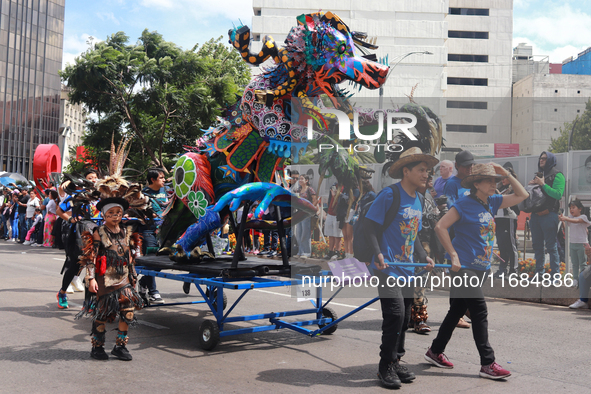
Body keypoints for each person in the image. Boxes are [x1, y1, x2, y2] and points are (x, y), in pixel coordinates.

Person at [425, 162, 528, 380]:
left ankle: (435, 351)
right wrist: (452, 254)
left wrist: (506, 173)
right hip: (464, 269)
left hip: (480, 268)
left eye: (495, 181)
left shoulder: (491, 201)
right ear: (477, 183)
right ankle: (487, 364)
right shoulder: (463, 204)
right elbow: (440, 226)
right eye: (489, 181)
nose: (494, 184)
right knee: (479, 312)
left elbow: (522, 195)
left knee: (456, 312)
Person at [365, 147, 437, 389]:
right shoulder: (389, 194)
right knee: (394, 315)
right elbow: (370, 227)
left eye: (427, 171)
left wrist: (423, 256)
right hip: (388, 268)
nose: (426, 174)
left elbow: (413, 235)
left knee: (405, 317)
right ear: (406, 171)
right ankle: (384, 366)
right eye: (421, 170)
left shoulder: (418, 198)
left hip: (408, 269)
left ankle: (396, 360)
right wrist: (378, 253)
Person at [76, 198, 144, 361]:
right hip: (105, 279)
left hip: (124, 277)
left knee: (127, 311)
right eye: (111, 213)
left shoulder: (127, 232)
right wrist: (91, 278)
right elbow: (91, 256)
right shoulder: (99, 232)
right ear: (104, 215)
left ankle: (120, 347)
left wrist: (133, 274)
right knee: (103, 312)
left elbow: (130, 255)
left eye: (118, 213)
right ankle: (97, 347)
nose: (115, 216)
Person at [443, 150, 475, 328]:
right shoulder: (452, 184)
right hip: (457, 233)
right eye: (466, 166)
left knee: (468, 273)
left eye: (471, 165)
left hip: (471, 235)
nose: (470, 168)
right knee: (457, 274)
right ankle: (456, 314)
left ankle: (465, 307)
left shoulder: (471, 184)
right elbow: (451, 207)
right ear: (457, 166)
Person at [528, 151, 565, 277]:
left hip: (549, 215)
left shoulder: (557, 175)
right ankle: (539, 273)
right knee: (537, 246)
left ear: (550, 160)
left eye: (544, 158)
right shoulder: (539, 175)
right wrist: (531, 186)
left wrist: (542, 184)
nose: (541, 160)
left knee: (551, 246)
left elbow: (558, 194)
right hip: (535, 216)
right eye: (540, 158)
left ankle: (555, 275)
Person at [137, 168, 167, 304]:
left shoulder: (165, 191)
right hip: (148, 230)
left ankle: (143, 283)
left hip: (164, 231)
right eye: (161, 178)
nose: (164, 180)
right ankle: (153, 292)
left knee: (162, 260)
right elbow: (136, 212)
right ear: (152, 180)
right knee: (151, 260)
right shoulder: (142, 194)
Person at [494, 166, 521, 278]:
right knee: (501, 244)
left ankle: (514, 270)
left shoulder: (514, 188)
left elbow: (517, 206)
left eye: (505, 177)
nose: (503, 179)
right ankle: (502, 269)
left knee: (511, 244)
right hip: (499, 217)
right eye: (501, 177)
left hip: (509, 217)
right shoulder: (498, 187)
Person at [559, 199, 590, 286]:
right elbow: (568, 226)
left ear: (580, 209)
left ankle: (583, 280)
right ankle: (575, 279)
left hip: (582, 244)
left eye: (573, 207)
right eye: (570, 208)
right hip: (572, 243)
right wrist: (563, 220)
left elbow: (577, 221)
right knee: (574, 263)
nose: (571, 210)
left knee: (583, 264)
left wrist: (566, 218)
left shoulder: (583, 217)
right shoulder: (570, 218)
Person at [294, 174, 316, 258]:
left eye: (302, 179)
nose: (300, 180)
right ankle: (300, 252)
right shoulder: (298, 190)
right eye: (299, 179)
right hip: (299, 213)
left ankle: (306, 252)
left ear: (306, 180)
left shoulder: (309, 189)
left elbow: (315, 199)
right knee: (299, 233)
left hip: (306, 214)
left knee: (305, 234)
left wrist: (311, 209)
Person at [325, 182, 343, 260]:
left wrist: (337, 195)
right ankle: (330, 252)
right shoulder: (333, 185)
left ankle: (337, 252)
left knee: (337, 234)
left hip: (338, 212)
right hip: (330, 212)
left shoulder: (345, 187)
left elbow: (345, 199)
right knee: (330, 233)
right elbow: (330, 198)